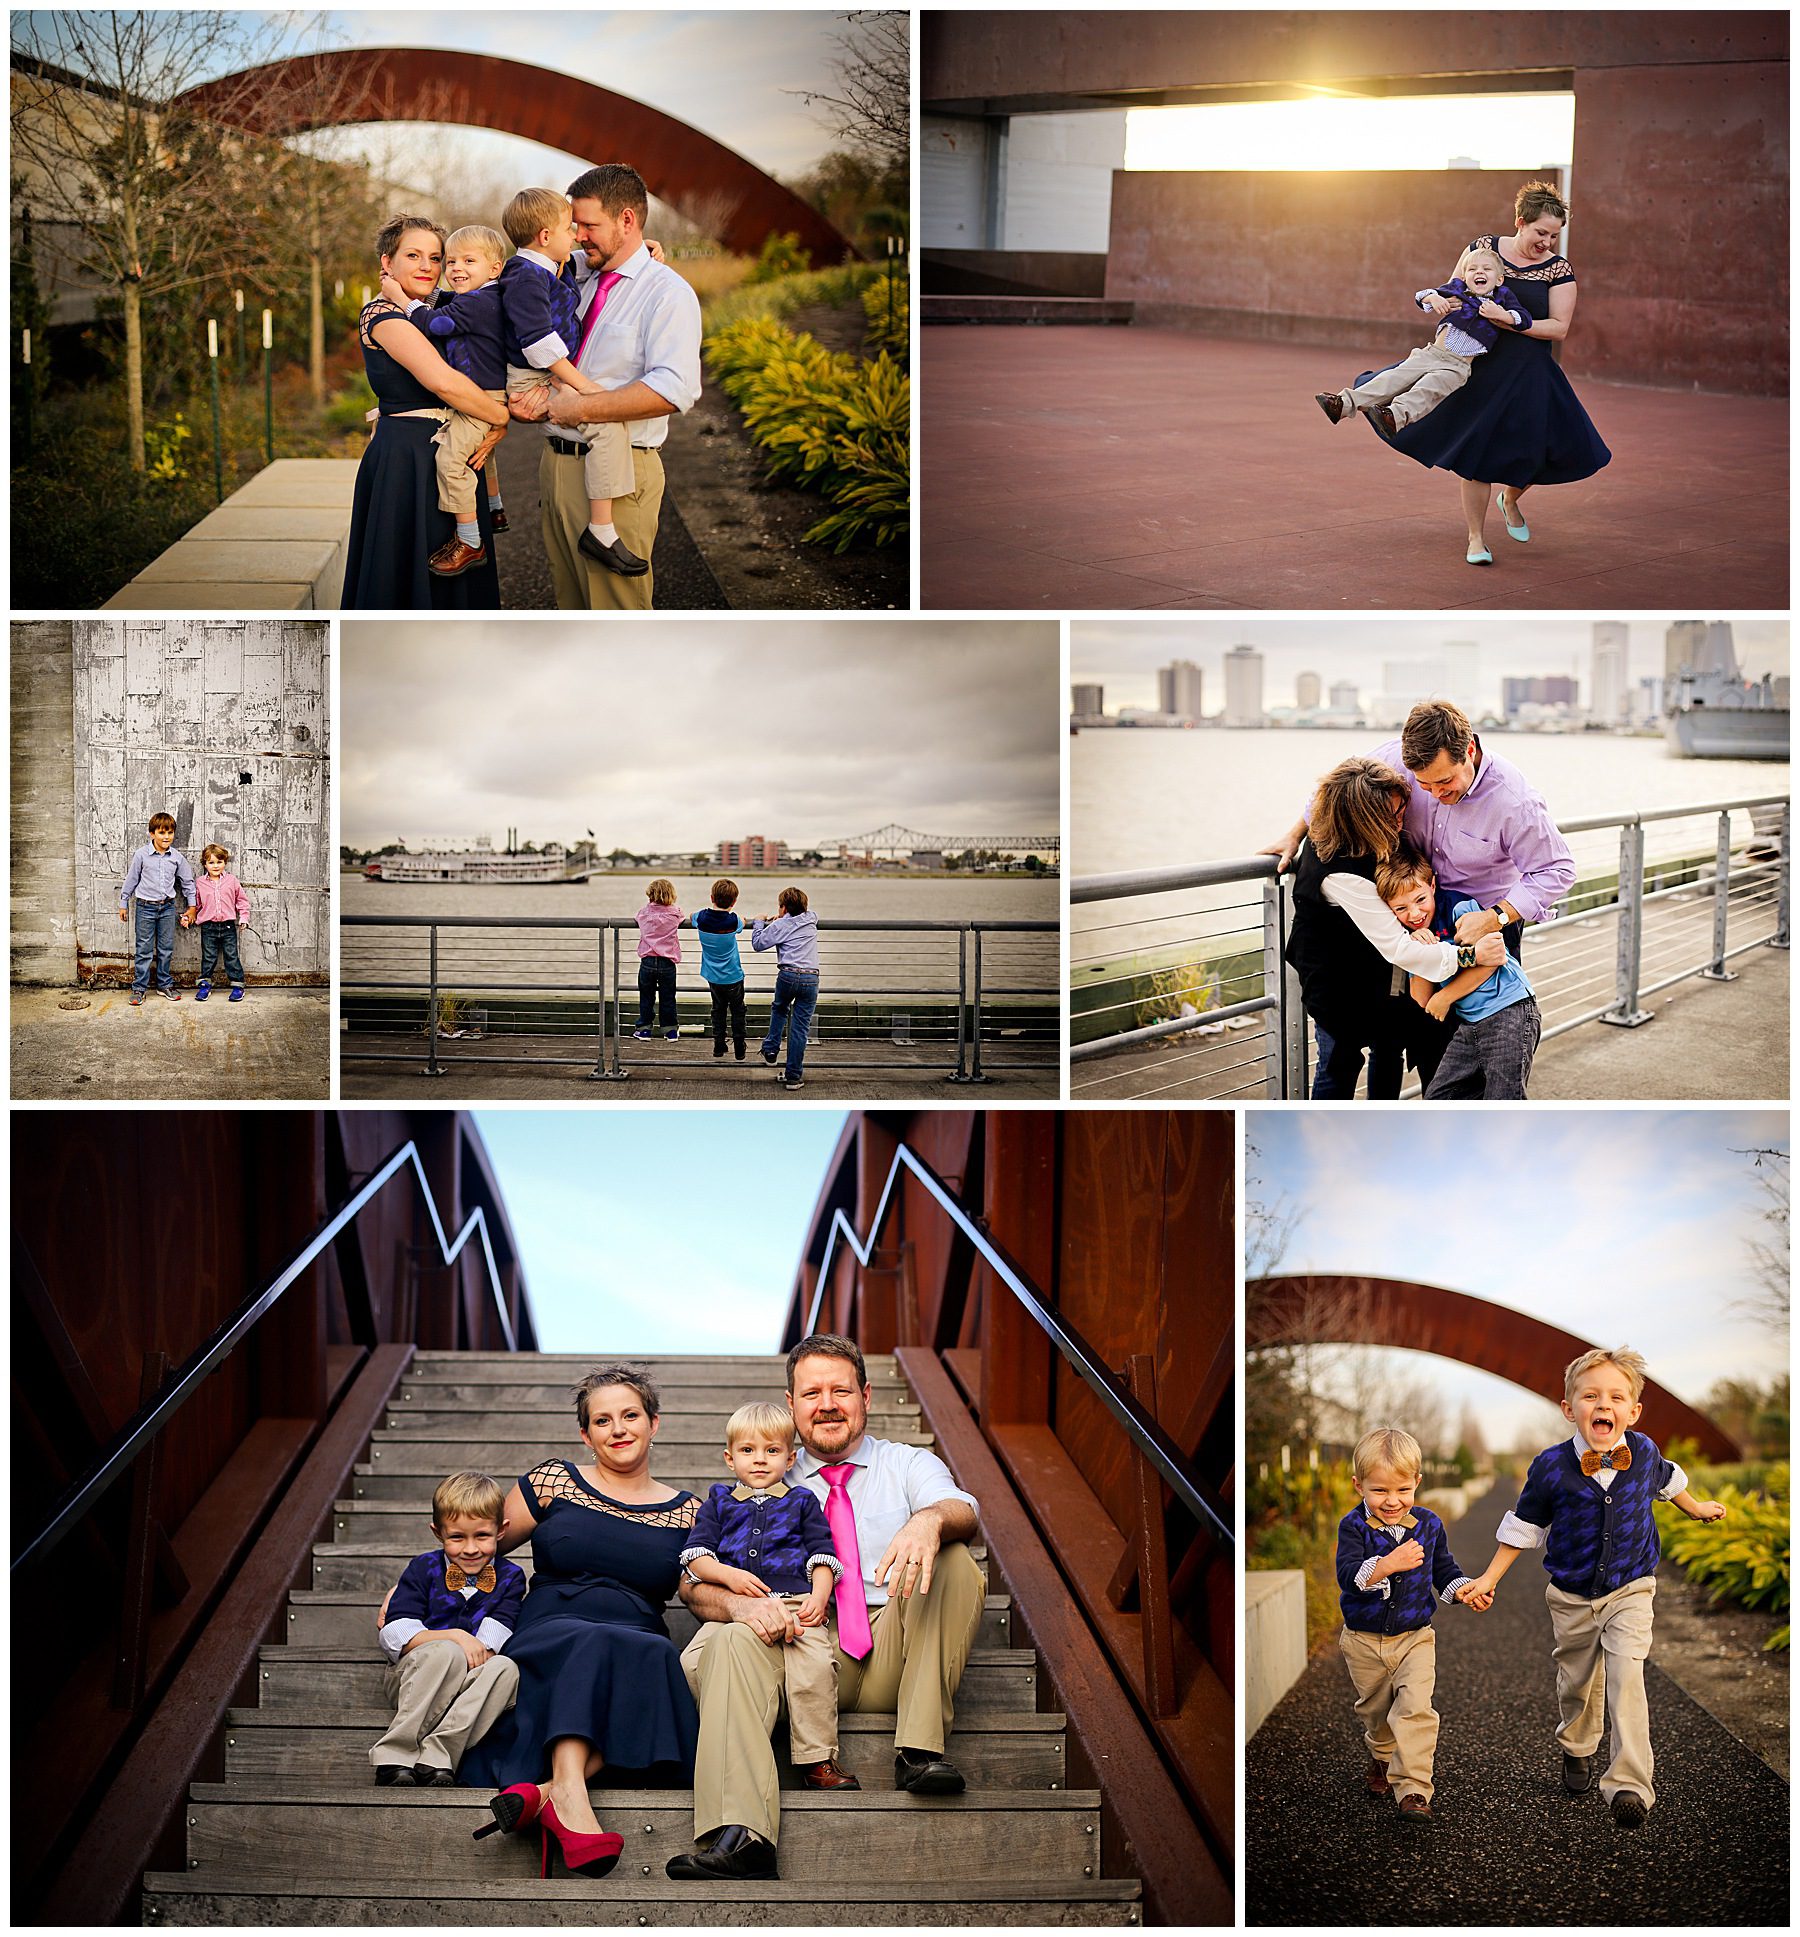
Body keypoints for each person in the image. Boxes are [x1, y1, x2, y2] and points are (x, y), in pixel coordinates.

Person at [667, 1333, 985, 1881]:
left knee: (956, 1559)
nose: (828, 1404)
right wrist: (740, 1608)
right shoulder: (760, 1472)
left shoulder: (905, 1463)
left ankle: (918, 1752)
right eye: (811, 1393)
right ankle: (742, 1835)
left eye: (841, 1390)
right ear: (791, 1405)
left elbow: (963, 1508)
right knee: (726, 1638)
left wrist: (929, 1521)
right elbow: (691, 1583)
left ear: (867, 1396)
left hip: (890, 1646)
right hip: (791, 1648)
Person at [1457, 1349, 1728, 1828]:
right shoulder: (1549, 1466)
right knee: (1579, 1684)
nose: (1603, 1404)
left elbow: (1670, 1482)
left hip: (1631, 1588)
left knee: (1627, 1677)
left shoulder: (1643, 1452)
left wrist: (1696, 1507)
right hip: (1571, 1596)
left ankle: (1629, 1783)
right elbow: (1523, 1527)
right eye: (1590, 1396)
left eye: (1616, 1397)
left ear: (1633, 1411)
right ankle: (1578, 1746)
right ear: (1569, 1408)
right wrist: (1488, 1579)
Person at [1263, 700, 1573, 1098]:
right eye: (1423, 787)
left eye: (1444, 783)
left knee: (1481, 1052)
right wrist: (1294, 834)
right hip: (1412, 916)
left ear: (1470, 752)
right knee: (1421, 1038)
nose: (1435, 793)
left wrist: (1495, 918)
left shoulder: (1515, 801)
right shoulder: (1393, 758)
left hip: (1479, 922)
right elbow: (1330, 797)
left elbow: (1557, 869)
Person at [460, 1367, 700, 1878]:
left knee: (656, 1652)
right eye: (602, 1420)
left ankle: (551, 1792)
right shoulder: (553, 1481)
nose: (619, 1429)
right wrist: (420, 1585)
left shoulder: (691, 1514)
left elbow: (701, 1590)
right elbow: (480, 1546)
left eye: (630, 1415)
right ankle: (569, 1793)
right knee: (593, 1640)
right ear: (585, 1434)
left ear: (654, 1422)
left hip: (638, 1634)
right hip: (552, 1625)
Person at [1352, 180, 1611, 565]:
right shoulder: (1481, 249)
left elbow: (1559, 328)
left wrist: (1509, 320)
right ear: (1520, 222)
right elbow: (1456, 295)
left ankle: (1511, 498)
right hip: (1479, 365)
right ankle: (1476, 539)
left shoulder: (1558, 269)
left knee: (1542, 452)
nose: (1548, 243)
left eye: (1555, 235)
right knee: (1477, 454)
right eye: (1542, 233)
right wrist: (1442, 327)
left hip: (1529, 371)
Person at [508, 164, 703, 611]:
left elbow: (675, 390)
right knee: (572, 610)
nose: (577, 236)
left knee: (617, 617)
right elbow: (520, 263)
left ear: (627, 221)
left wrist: (582, 410)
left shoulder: (666, 293)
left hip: (618, 481)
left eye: (590, 226)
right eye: (574, 226)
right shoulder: (576, 274)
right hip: (554, 468)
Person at [1282, 757, 1508, 1099]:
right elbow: (1398, 947)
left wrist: (1290, 833)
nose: (1402, 819)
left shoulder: (1355, 823)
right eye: (1392, 815)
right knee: (1338, 1059)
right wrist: (1468, 956)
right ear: (1364, 819)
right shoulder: (1339, 871)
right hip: (1332, 972)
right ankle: (1320, 1127)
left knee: (1387, 1043)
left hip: (1369, 963)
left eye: (1402, 807)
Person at [679, 1401, 852, 1790]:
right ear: (729, 1458)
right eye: (748, 1450)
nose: (759, 1460)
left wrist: (819, 1598)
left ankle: (817, 1759)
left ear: (790, 1458)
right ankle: (725, 1736)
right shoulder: (718, 1502)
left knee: (815, 1668)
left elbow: (823, 1554)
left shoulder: (802, 1501)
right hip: (732, 1612)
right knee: (691, 1664)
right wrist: (730, 1577)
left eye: (772, 1451)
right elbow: (696, 1558)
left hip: (794, 1601)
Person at [341, 215, 510, 610]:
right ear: (388, 263)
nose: (427, 267)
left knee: (458, 587)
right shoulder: (382, 315)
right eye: (413, 255)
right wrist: (500, 418)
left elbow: (520, 282)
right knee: (405, 576)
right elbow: (444, 383)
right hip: (407, 461)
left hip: (457, 448)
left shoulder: (448, 307)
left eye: (436, 258)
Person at [1334, 1427, 1486, 1828]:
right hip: (1364, 1641)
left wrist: (1464, 1590)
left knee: (1416, 1709)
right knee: (1376, 1713)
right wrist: (1385, 1565)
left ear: (1417, 1482)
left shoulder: (1429, 1525)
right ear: (1359, 1485)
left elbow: (1443, 1569)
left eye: (1402, 1489)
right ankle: (1381, 1756)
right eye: (1380, 1491)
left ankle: (1414, 1788)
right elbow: (1348, 1574)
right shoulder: (1353, 1528)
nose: (1392, 1501)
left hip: (1416, 1637)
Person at [496, 187, 643, 577]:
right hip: (533, 377)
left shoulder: (546, 266)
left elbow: (578, 261)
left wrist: (647, 247)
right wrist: (583, 387)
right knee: (604, 419)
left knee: (600, 418)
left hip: (543, 374)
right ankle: (600, 529)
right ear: (545, 237)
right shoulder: (526, 277)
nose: (577, 235)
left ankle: (587, 513)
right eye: (569, 228)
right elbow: (539, 344)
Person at [371, 1471, 525, 1786]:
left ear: (501, 1531)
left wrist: (469, 1654)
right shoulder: (423, 1568)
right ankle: (395, 1754)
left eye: (481, 1535)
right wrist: (453, 1637)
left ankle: (437, 1755)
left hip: (470, 1678)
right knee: (446, 1652)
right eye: (457, 1537)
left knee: (507, 1668)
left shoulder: (511, 1577)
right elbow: (394, 1631)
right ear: (438, 1533)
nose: (470, 1549)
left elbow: (499, 1632)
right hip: (418, 1674)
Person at [380, 223, 510, 579]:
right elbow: (447, 301)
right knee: (483, 455)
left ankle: (470, 540)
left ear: (495, 268)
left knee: (453, 462)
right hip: (482, 395)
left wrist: (403, 300)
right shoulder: (482, 297)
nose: (454, 269)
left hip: (479, 397)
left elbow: (434, 322)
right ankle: (495, 508)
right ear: (387, 262)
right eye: (450, 261)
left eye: (467, 261)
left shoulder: (479, 303)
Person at [1377, 846, 1542, 1099]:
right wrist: (1420, 951)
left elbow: (1493, 958)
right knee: (1439, 1097)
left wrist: (1445, 997)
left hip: (1509, 1010)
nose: (1414, 913)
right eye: (1400, 909)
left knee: (1503, 1101)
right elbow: (1422, 999)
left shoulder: (1459, 906)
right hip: (1470, 1024)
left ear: (1432, 885)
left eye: (1420, 899)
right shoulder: (1409, 937)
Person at [1316, 245, 1530, 437]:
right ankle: (1342, 404)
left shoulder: (1503, 297)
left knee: (1427, 390)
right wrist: (1434, 298)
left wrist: (1502, 314)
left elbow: (1524, 319)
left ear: (1499, 279)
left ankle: (1394, 417)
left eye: (1487, 269)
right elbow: (1422, 295)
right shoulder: (1457, 290)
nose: (1479, 272)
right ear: (1465, 276)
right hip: (1431, 353)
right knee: (1391, 379)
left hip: (1457, 366)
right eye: (1472, 269)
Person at [118, 811, 197, 1005]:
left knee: (166, 949)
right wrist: (123, 902)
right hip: (145, 908)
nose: (166, 837)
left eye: (170, 832)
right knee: (144, 949)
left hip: (167, 909)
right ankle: (139, 988)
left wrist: (192, 906)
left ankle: (164, 985)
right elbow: (131, 880)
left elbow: (187, 882)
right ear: (152, 834)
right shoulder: (141, 855)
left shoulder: (176, 857)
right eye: (161, 832)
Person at [753, 887, 821, 1091]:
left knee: (780, 1008)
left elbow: (758, 943)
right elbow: (805, 916)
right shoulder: (811, 918)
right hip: (811, 977)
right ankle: (793, 1077)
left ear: (783, 907)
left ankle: (771, 1051)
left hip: (788, 974)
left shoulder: (780, 924)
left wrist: (759, 922)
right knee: (800, 1028)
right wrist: (782, 916)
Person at [690, 877, 748, 1061]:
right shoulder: (733, 921)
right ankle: (739, 1047)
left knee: (718, 1009)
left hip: (713, 977)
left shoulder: (701, 917)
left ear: (711, 897)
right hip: (733, 976)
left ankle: (718, 1045)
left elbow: (691, 916)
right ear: (734, 902)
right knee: (738, 1010)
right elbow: (743, 922)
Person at [191, 843, 251, 1003]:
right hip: (208, 926)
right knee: (209, 957)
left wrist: (243, 918)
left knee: (231, 956)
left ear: (225, 862)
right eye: (211, 862)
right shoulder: (200, 882)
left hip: (228, 926)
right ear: (205, 864)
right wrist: (188, 917)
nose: (215, 866)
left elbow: (242, 901)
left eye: (219, 862)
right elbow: (196, 904)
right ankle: (205, 984)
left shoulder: (231, 881)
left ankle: (238, 986)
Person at [634, 878, 683, 1042]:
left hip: (647, 961)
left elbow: (637, 918)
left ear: (650, 895)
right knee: (668, 998)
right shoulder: (675, 913)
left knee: (646, 997)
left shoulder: (643, 913)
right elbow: (682, 916)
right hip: (667, 962)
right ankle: (670, 1031)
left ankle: (644, 1030)